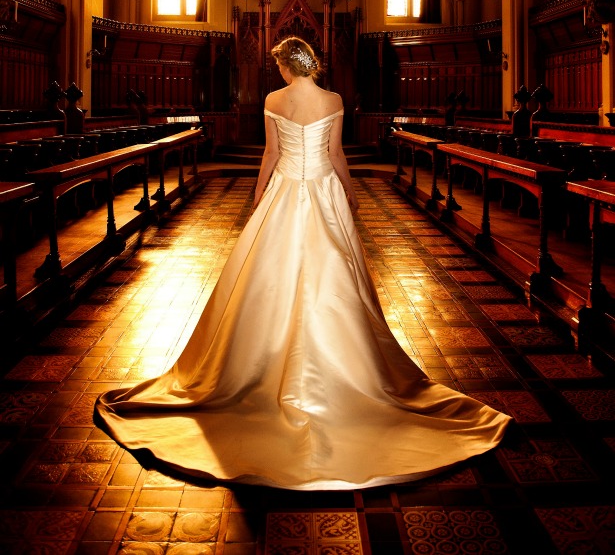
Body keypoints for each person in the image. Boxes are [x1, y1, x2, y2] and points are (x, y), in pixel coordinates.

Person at [95, 36, 511, 490]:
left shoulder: (275, 99)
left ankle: (259, 367)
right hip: (324, 190)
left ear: (287, 65)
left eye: (278, 64)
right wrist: (350, 193)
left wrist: (258, 199)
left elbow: (272, 156)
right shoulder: (333, 99)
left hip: (285, 192)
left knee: (267, 278)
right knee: (334, 279)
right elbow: (334, 155)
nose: (276, 72)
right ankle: (348, 371)